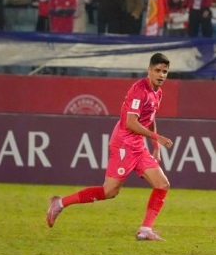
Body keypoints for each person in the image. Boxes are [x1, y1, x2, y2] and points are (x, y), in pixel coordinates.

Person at [46, 53, 175, 242]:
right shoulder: (140, 90)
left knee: (162, 184)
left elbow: (150, 118)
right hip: (123, 142)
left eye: (165, 71)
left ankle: (145, 230)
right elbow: (130, 122)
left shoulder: (158, 92)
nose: (161, 75)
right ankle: (60, 203)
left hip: (138, 145)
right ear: (149, 70)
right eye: (157, 70)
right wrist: (158, 137)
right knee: (109, 191)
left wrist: (155, 146)